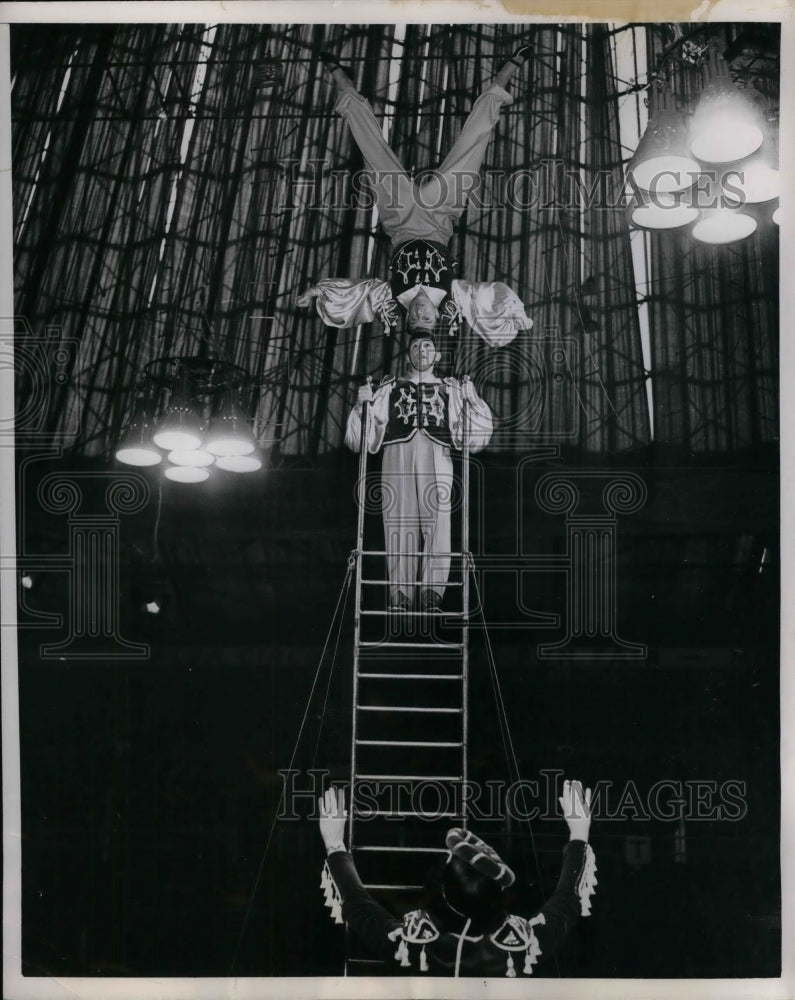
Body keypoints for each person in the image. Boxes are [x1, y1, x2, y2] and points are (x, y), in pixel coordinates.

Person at [296, 45, 535, 346]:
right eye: (427, 319)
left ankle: (341, 79)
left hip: (400, 217)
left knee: (372, 149)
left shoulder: (391, 295)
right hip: (439, 216)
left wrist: (317, 291)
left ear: (408, 317)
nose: (421, 313)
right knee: (473, 145)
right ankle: (505, 74)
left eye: (415, 318)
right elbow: (488, 296)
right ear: (436, 317)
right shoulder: (452, 295)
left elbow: (357, 293)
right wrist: (514, 312)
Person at [318, 779, 596, 978]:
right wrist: (579, 835)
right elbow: (565, 902)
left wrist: (334, 846)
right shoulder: (524, 948)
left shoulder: (415, 947)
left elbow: (359, 906)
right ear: (500, 896)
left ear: (444, 893)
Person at [344, 330, 492, 612]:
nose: (421, 350)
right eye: (415, 346)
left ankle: (431, 592)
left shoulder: (452, 388)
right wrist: (360, 405)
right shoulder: (389, 387)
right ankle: (401, 593)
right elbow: (357, 440)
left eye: (427, 346)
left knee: (438, 519)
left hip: (437, 454)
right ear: (408, 354)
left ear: (436, 354)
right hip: (397, 454)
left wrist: (473, 401)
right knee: (398, 521)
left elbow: (477, 438)